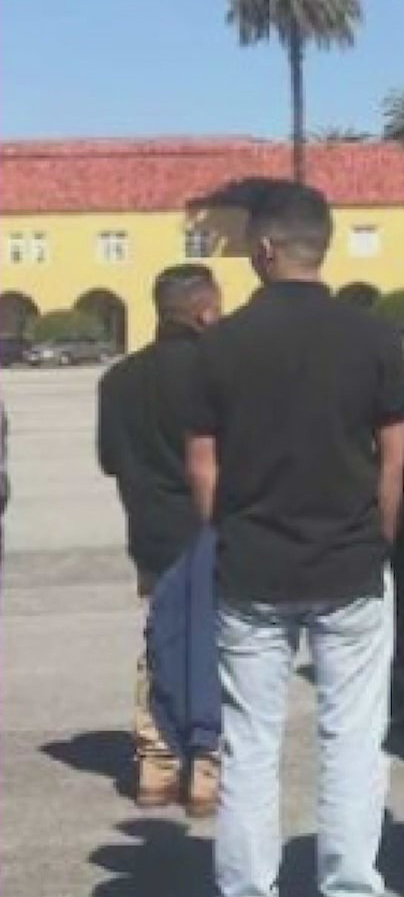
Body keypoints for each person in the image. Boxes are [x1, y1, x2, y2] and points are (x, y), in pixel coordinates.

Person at [183, 181, 404, 897]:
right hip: (350, 563)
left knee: (250, 742)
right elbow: (395, 461)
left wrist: (226, 534)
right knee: (354, 739)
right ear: (320, 247)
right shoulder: (373, 339)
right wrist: (379, 538)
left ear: (263, 251)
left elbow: (202, 466)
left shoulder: (218, 345)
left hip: (253, 568)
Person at [98, 263, 225, 814]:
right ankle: (205, 762)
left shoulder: (118, 379)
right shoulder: (217, 371)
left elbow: (109, 459)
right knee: (217, 640)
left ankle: (155, 761)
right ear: (205, 311)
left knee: (160, 640)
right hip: (210, 523)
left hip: (148, 527)